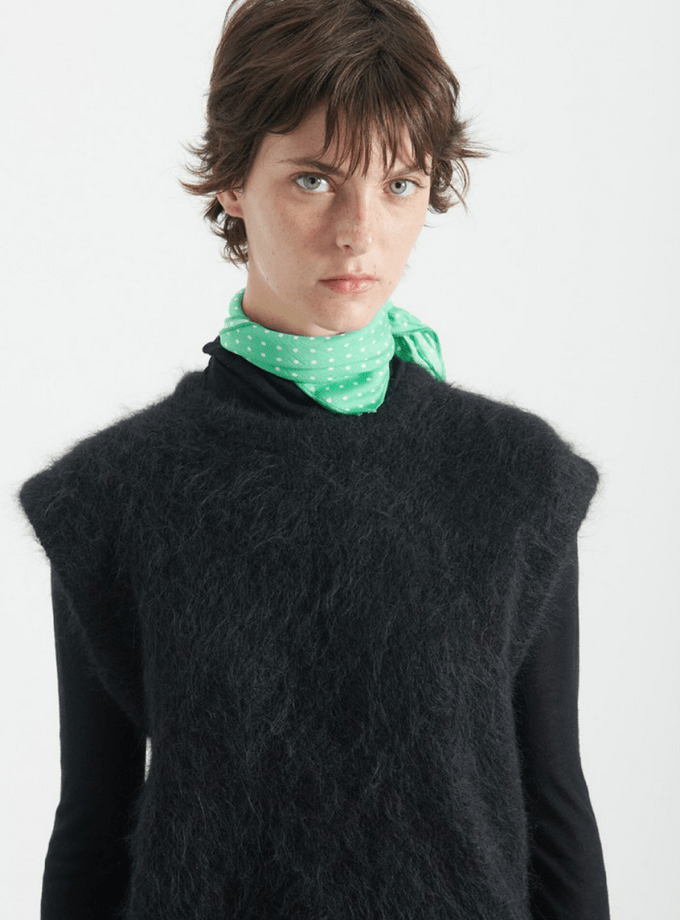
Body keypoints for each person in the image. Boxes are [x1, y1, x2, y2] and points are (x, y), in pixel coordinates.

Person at [16, 1, 611, 918]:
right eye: (314, 180)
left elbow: (556, 802)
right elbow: (93, 825)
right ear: (231, 180)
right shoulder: (113, 497)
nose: (360, 230)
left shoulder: (514, 479)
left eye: (400, 183)